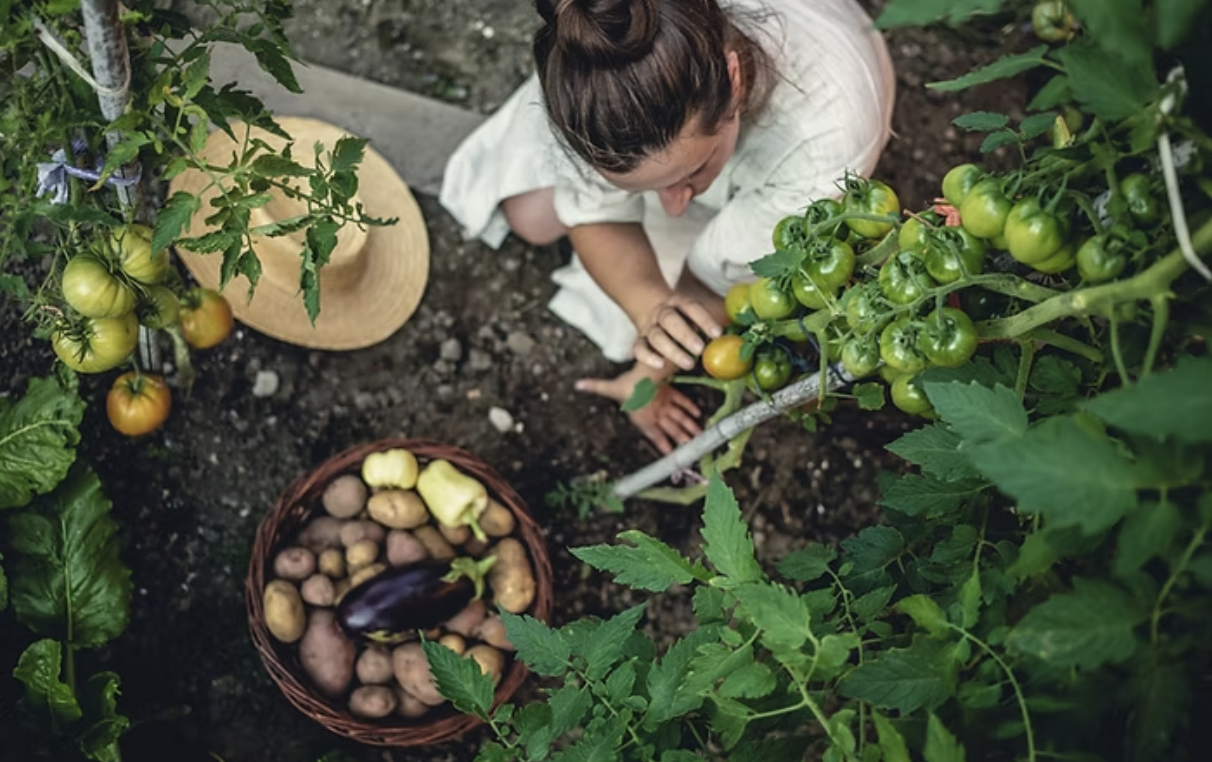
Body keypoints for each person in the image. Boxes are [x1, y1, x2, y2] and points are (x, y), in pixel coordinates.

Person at [439, 0, 895, 454]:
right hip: (669, 96)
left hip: (803, 145)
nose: (676, 206)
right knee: (530, 218)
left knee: (682, 293)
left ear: (734, 82)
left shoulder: (824, 142)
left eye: (692, 173)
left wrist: (647, 374)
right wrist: (648, 305)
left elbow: (713, 286)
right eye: (654, 185)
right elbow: (597, 216)